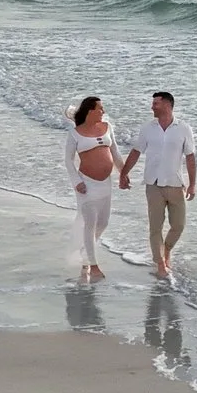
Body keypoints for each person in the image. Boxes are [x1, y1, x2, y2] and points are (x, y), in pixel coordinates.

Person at [117, 90, 197, 277]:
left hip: (175, 184)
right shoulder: (147, 128)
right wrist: (123, 174)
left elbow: (190, 157)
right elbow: (136, 152)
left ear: (168, 105)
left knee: (178, 225)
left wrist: (192, 184)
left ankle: (166, 249)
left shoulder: (183, 128)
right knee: (155, 227)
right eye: (153, 103)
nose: (152, 106)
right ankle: (160, 262)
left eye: (156, 103)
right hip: (152, 184)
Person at [63, 95, 118, 280]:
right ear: (90, 111)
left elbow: (115, 152)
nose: (103, 112)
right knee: (90, 224)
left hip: (106, 184)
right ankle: (92, 266)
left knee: (103, 223)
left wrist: (124, 173)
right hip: (86, 185)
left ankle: (86, 254)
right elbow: (68, 160)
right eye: (100, 108)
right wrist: (77, 182)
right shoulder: (75, 133)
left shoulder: (107, 128)